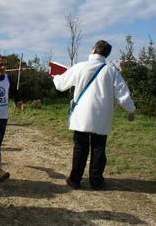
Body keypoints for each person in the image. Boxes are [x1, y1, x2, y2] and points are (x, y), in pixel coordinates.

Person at [53, 40, 136, 190]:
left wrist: (55, 77)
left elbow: (61, 85)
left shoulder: (80, 67)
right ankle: (96, 181)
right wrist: (131, 110)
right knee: (98, 148)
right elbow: (123, 95)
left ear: (93, 50)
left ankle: (75, 179)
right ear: (106, 54)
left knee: (80, 148)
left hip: (82, 116)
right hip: (102, 116)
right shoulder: (111, 71)